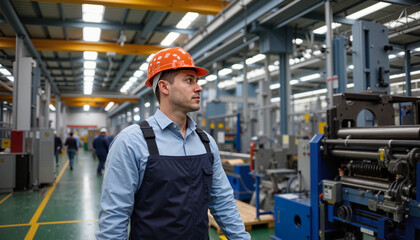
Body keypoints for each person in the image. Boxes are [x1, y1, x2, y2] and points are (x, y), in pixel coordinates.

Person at [96, 47, 250, 239]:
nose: (198, 87)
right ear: (164, 87)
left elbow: (222, 202)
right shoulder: (132, 142)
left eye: (197, 81)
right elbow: (114, 219)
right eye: (189, 80)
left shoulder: (206, 143)